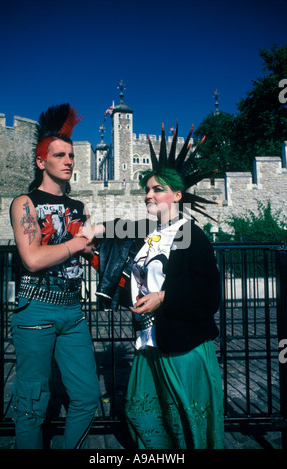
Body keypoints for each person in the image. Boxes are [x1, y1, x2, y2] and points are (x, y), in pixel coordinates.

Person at [123, 122, 224, 449]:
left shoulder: (192, 236)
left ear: (178, 196)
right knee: (146, 419)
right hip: (148, 342)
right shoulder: (148, 236)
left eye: (159, 189)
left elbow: (209, 295)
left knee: (185, 425)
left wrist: (164, 297)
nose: (150, 194)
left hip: (183, 344)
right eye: (148, 189)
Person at [10, 104, 101, 449]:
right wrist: (79, 243)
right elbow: (32, 258)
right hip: (35, 310)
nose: (68, 161)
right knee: (32, 405)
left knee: (88, 397)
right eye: (59, 155)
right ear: (41, 161)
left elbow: (88, 255)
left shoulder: (79, 208)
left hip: (73, 312)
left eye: (71, 156)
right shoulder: (25, 204)